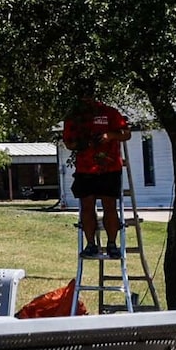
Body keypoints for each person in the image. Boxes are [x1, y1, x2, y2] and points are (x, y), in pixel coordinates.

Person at [63, 98, 134, 256]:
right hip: (85, 170)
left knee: (110, 206)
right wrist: (84, 143)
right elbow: (69, 143)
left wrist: (110, 135)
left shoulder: (110, 113)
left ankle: (112, 244)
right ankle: (90, 245)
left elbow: (126, 134)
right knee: (87, 207)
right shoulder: (75, 116)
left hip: (109, 168)